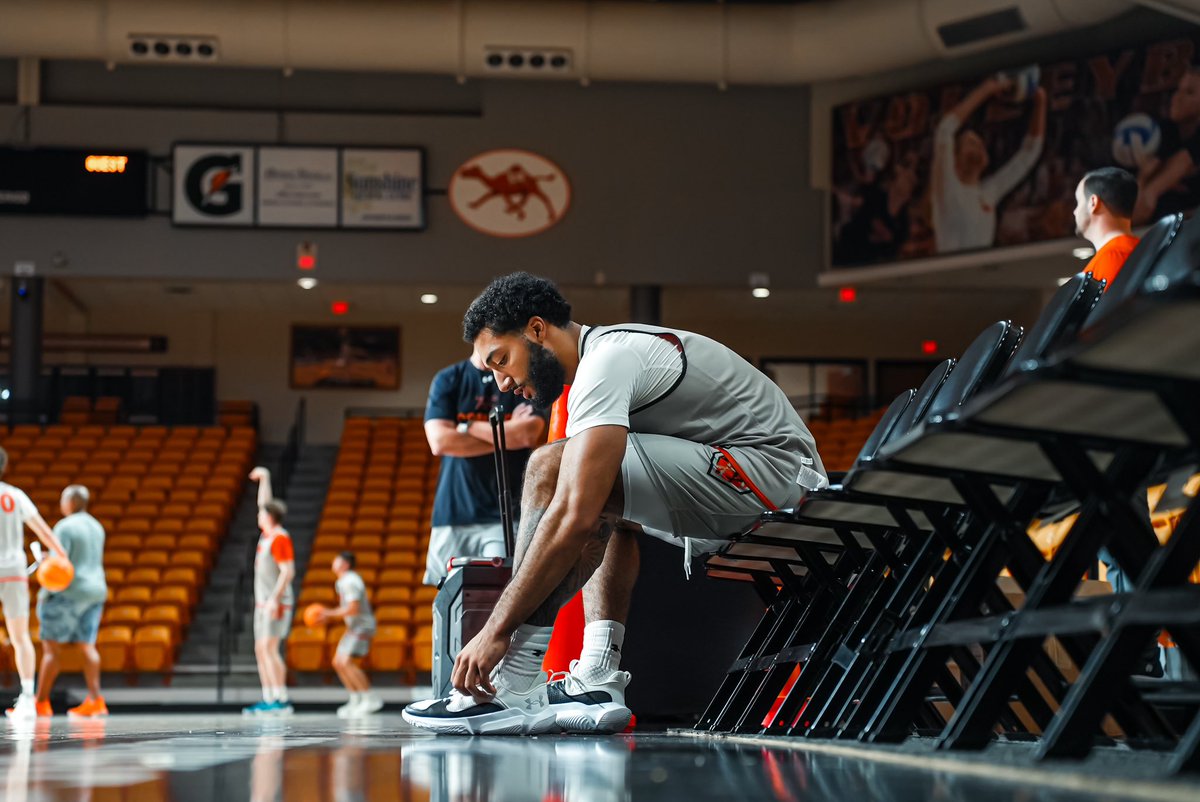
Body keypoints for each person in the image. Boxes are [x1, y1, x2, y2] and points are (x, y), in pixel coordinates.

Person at [403, 272, 826, 735]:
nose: (501, 383)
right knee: (598, 493)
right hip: (750, 481)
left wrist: (496, 632)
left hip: (776, 482)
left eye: (502, 360)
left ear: (537, 330)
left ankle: (513, 682)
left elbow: (572, 514)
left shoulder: (608, 361)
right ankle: (599, 675)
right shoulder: (597, 362)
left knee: (550, 469)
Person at [423, 353, 549, 586]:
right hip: (453, 512)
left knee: (500, 594)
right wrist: (504, 432)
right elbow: (440, 442)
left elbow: (525, 435)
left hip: (505, 515)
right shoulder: (449, 378)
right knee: (448, 597)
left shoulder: (520, 378)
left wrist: (465, 426)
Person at [931, 76, 1046, 253]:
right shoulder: (948, 186)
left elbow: (1028, 155)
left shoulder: (988, 193)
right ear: (954, 159)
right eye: (970, 143)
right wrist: (988, 89)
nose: (978, 147)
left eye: (979, 144)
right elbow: (945, 130)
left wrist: (1040, 102)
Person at [0, 446, 67, 721]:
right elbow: (43, 530)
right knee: (20, 637)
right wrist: (62, 555)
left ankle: (27, 698)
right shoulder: (15, 495)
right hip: (14, 570)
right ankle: (28, 698)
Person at [35, 485, 108, 718]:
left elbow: (60, 567)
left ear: (70, 502)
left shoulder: (65, 526)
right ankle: (96, 701)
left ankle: (40, 703)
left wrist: (44, 594)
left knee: (51, 649)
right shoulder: (97, 526)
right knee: (88, 646)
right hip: (95, 591)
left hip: (69, 592)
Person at [242, 466, 295, 717]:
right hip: (264, 602)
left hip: (276, 602)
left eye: (262, 513)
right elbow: (265, 502)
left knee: (270, 648)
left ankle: (281, 699)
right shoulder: (267, 534)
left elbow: (288, 572)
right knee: (260, 649)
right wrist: (266, 478)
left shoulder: (280, 538)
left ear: (270, 516)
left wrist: (275, 599)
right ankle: (269, 697)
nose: (258, 514)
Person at [313, 551, 382, 718]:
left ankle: (370, 698)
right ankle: (356, 699)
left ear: (345, 564)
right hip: (354, 627)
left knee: (345, 661)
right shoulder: (343, 581)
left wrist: (327, 614)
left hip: (362, 626)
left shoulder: (350, 580)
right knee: (338, 662)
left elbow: (353, 608)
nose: (333, 561)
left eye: (337, 559)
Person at [1134, 64, 1200, 224]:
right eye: (1178, 89)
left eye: (1189, 92)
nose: (1177, 97)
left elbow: (1149, 197)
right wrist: (1143, 180)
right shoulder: (1166, 132)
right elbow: (1138, 211)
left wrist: (1150, 187)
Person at [1073, 166, 1140, 289]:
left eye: (1078, 202)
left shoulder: (1111, 259)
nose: (1075, 211)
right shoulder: (1143, 250)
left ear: (1093, 203)